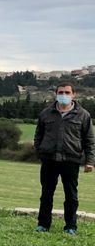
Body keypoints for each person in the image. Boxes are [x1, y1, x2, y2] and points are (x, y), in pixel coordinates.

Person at [34, 83, 95, 235]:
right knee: (46, 194)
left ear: (74, 95)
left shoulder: (83, 115)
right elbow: (38, 136)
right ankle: (43, 224)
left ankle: (70, 227)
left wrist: (90, 161)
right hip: (49, 160)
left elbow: (89, 141)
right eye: (61, 92)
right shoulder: (46, 113)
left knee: (71, 196)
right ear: (55, 94)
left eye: (67, 92)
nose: (64, 95)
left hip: (71, 160)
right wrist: (40, 152)